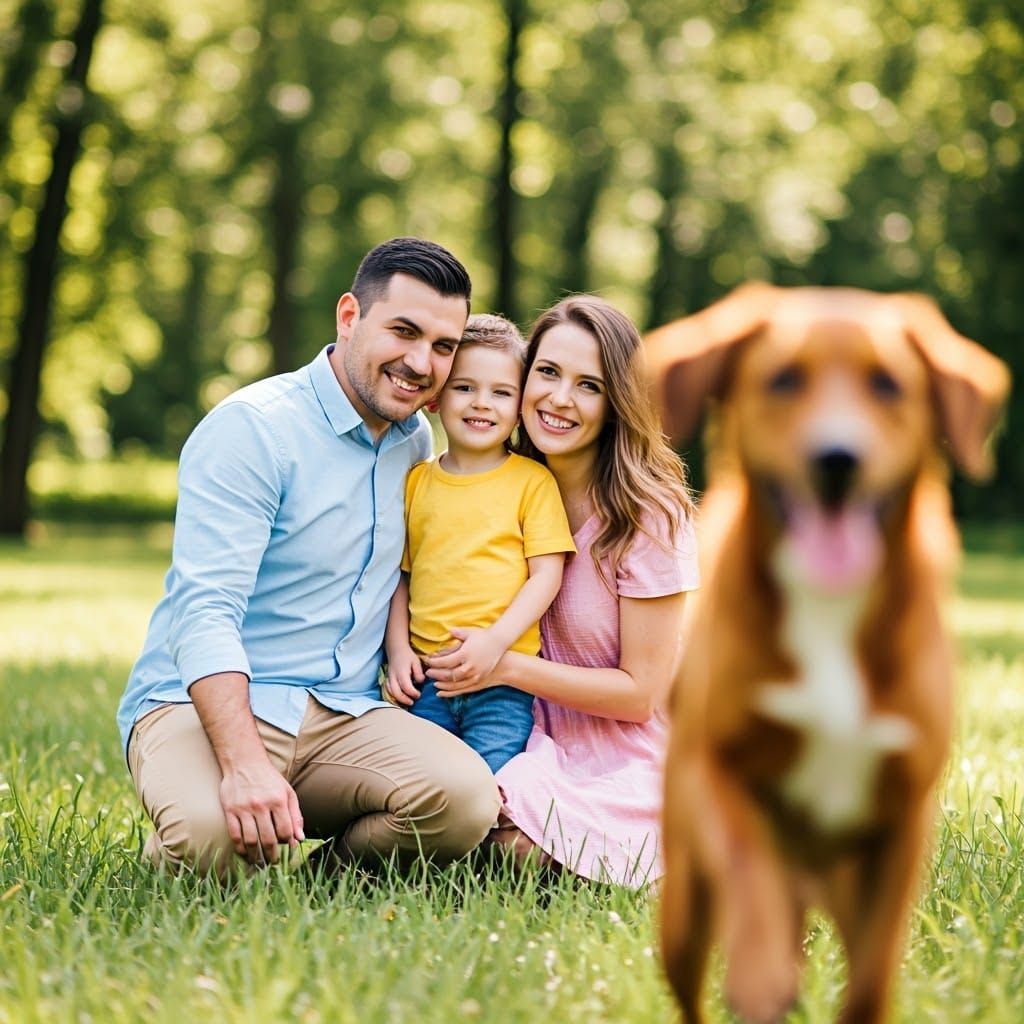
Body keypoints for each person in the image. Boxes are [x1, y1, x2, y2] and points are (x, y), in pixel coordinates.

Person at [116, 238, 501, 878]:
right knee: (213, 841)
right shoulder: (253, 429)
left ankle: (327, 880)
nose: (420, 362)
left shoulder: (412, 438)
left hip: (346, 711)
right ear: (350, 317)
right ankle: (205, 830)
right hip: (206, 704)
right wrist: (243, 766)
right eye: (403, 332)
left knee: (465, 801)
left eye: (442, 346)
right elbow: (204, 612)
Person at [425, 295, 699, 888]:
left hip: (618, 747)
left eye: (589, 386)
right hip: (518, 726)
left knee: (517, 842)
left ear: (617, 403)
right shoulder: (502, 479)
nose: (558, 399)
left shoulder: (648, 515)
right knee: (467, 811)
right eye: (547, 373)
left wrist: (502, 665)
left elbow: (639, 696)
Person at [383, 314, 575, 772]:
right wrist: (398, 651)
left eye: (501, 393)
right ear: (435, 397)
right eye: (465, 387)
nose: (482, 404)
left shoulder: (532, 482)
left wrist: (496, 643)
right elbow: (400, 577)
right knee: (425, 783)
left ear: (520, 406)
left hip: (502, 678)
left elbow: (546, 575)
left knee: (490, 788)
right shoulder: (416, 482)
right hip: (430, 677)